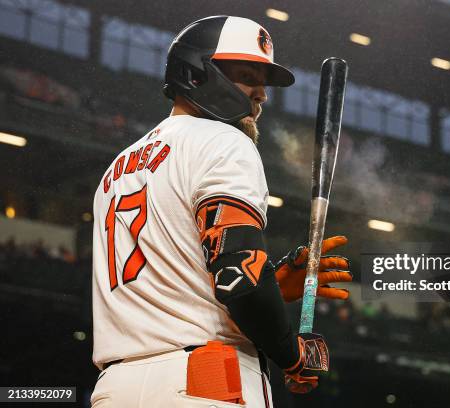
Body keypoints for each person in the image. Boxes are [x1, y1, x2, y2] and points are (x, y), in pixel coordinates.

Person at [90, 16, 351, 408]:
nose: (261, 94)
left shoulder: (118, 169)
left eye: (263, 82)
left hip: (115, 388)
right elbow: (237, 279)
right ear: (198, 73)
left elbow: (190, 281)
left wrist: (272, 286)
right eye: (247, 76)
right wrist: (292, 355)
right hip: (204, 381)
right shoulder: (224, 141)